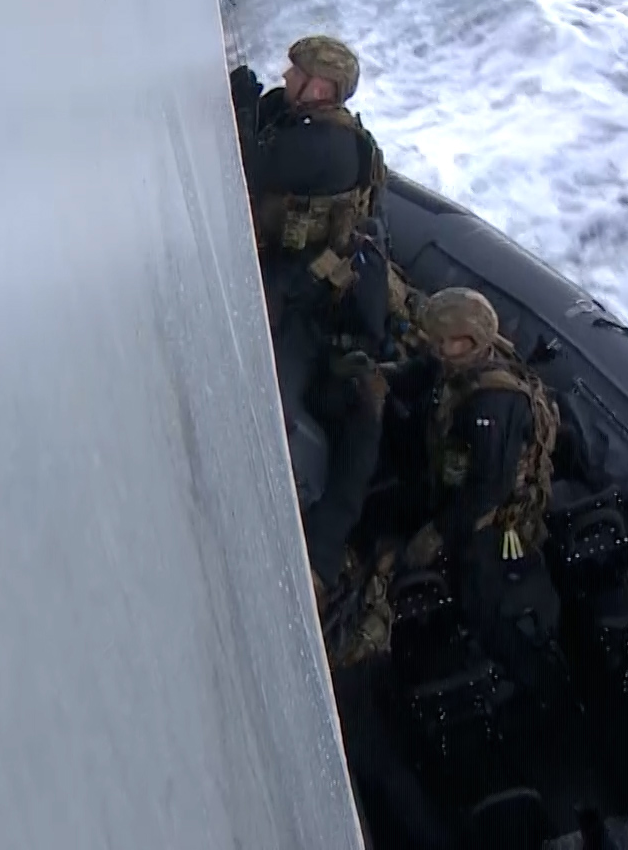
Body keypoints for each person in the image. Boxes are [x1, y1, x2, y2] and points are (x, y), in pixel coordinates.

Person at [229, 36, 391, 593]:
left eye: (296, 72)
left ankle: (306, 541)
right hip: (298, 272)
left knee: (278, 387)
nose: (286, 76)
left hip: (310, 294)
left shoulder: (325, 147)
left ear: (319, 88)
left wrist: (244, 106)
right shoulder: (310, 124)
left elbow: (247, 164)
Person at [375, 286, 564, 697]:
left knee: (480, 602)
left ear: (471, 341)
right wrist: (381, 373)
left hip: (492, 517)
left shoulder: (490, 406)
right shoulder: (460, 363)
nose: (437, 349)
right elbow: (423, 373)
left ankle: (536, 684)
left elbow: (488, 489)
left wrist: (436, 534)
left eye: (446, 342)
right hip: (452, 480)